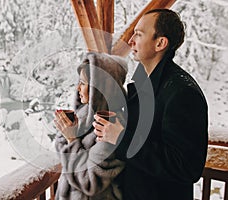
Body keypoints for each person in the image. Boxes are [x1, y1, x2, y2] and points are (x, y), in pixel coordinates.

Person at [93, 9, 208, 200]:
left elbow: (186, 167)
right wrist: (120, 124)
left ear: (160, 43)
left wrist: (121, 137)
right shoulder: (145, 83)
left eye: (138, 34)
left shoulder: (182, 92)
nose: (131, 41)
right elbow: (150, 133)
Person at [54, 52, 128, 200]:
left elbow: (90, 181)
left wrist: (71, 140)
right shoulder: (85, 113)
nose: (78, 89)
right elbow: (61, 146)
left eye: (83, 83)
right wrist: (66, 131)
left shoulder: (110, 126)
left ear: (99, 88)